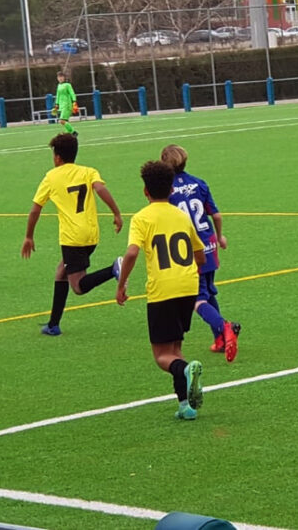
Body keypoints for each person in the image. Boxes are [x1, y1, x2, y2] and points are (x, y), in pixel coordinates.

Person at [116, 160, 206, 420]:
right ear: (171, 190)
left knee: (162, 356)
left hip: (163, 290)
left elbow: (132, 251)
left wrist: (121, 284)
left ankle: (187, 370)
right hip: (188, 286)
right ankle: (184, 406)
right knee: (175, 349)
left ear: (145, 191)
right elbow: (199, 255)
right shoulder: (180, 215)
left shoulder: (142, 218)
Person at [22, 133, 123, 336]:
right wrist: (116, 213)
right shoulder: (88, 171)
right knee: (61, 271)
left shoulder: (51, 177)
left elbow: (35, 210)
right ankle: (53, 324)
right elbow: (100, 189)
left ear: (57, 157)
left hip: (72, 238)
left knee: (78, 286)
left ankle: (113, 269)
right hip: (91, 234)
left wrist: (29, 236)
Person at [160, 144, 241, 362]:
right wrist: (220, 236)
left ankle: (224, 327)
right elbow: (215, 215)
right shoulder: (199, 183)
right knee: (209, 292)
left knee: (197, 299)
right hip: (209, 243)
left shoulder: (166, 191)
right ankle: (220, 339)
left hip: (189, 249)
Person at [53, 71, 79, 136]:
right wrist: (56, 104)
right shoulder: (59, 85)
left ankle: (73, 132)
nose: (60, 78)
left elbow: (72, 93)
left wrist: (74, 102)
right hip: (61, 106)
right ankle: (68, 134)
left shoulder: (68, 85)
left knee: (61, 121)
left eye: (61, 77)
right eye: (59, 77)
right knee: (65, 121)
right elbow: (58, 95)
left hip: (67, 105)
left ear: (64, 77)